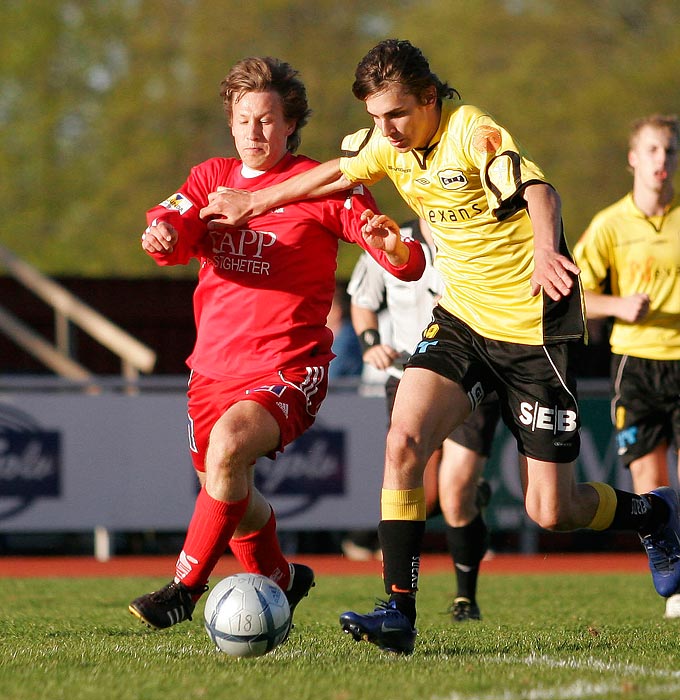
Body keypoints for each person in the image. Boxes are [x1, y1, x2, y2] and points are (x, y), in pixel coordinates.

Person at [199, 40, 680, 655]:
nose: (385, 130)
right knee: (403, 438)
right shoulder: (386, 142)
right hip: (463, 320)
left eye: (396, 114)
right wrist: (256, 199)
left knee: (552, 511)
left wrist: (544, 248)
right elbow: (336, 173)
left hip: (534, 329)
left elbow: (540, 192)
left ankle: (656, 516)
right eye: (374, 117)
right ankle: (398, 610)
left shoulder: (472, 131)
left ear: (429, 98)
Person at [128, 55, 425, 634]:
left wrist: (396, 251)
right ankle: (284, 582)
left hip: (288, 367)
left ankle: (184, 588)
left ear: (290, 124)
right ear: (231, 122)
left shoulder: (319, 184)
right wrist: (161, 235)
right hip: (211, 371)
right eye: (243, 119)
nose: (254, 132)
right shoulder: (210, 179)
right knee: (227, 485)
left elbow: (399, 256)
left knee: (231, 447)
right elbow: (173, 231)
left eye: (266, 120)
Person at [345, 217, 499, 621]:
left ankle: (466, 597)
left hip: (470, 373)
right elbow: (362, 299)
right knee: (426, 495)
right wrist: (370, 343)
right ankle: (397, 604)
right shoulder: (389, 238)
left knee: (455, 493)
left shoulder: (472, 238)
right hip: (406, 378)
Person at [573, 114, 680, 618]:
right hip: (636, 365)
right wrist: (616, 306)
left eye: (671, 151)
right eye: (654, 150)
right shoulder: (610, 224)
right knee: (651, 481)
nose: (663, 160)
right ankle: (673, 576)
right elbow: (569, 295)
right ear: (634, 158)